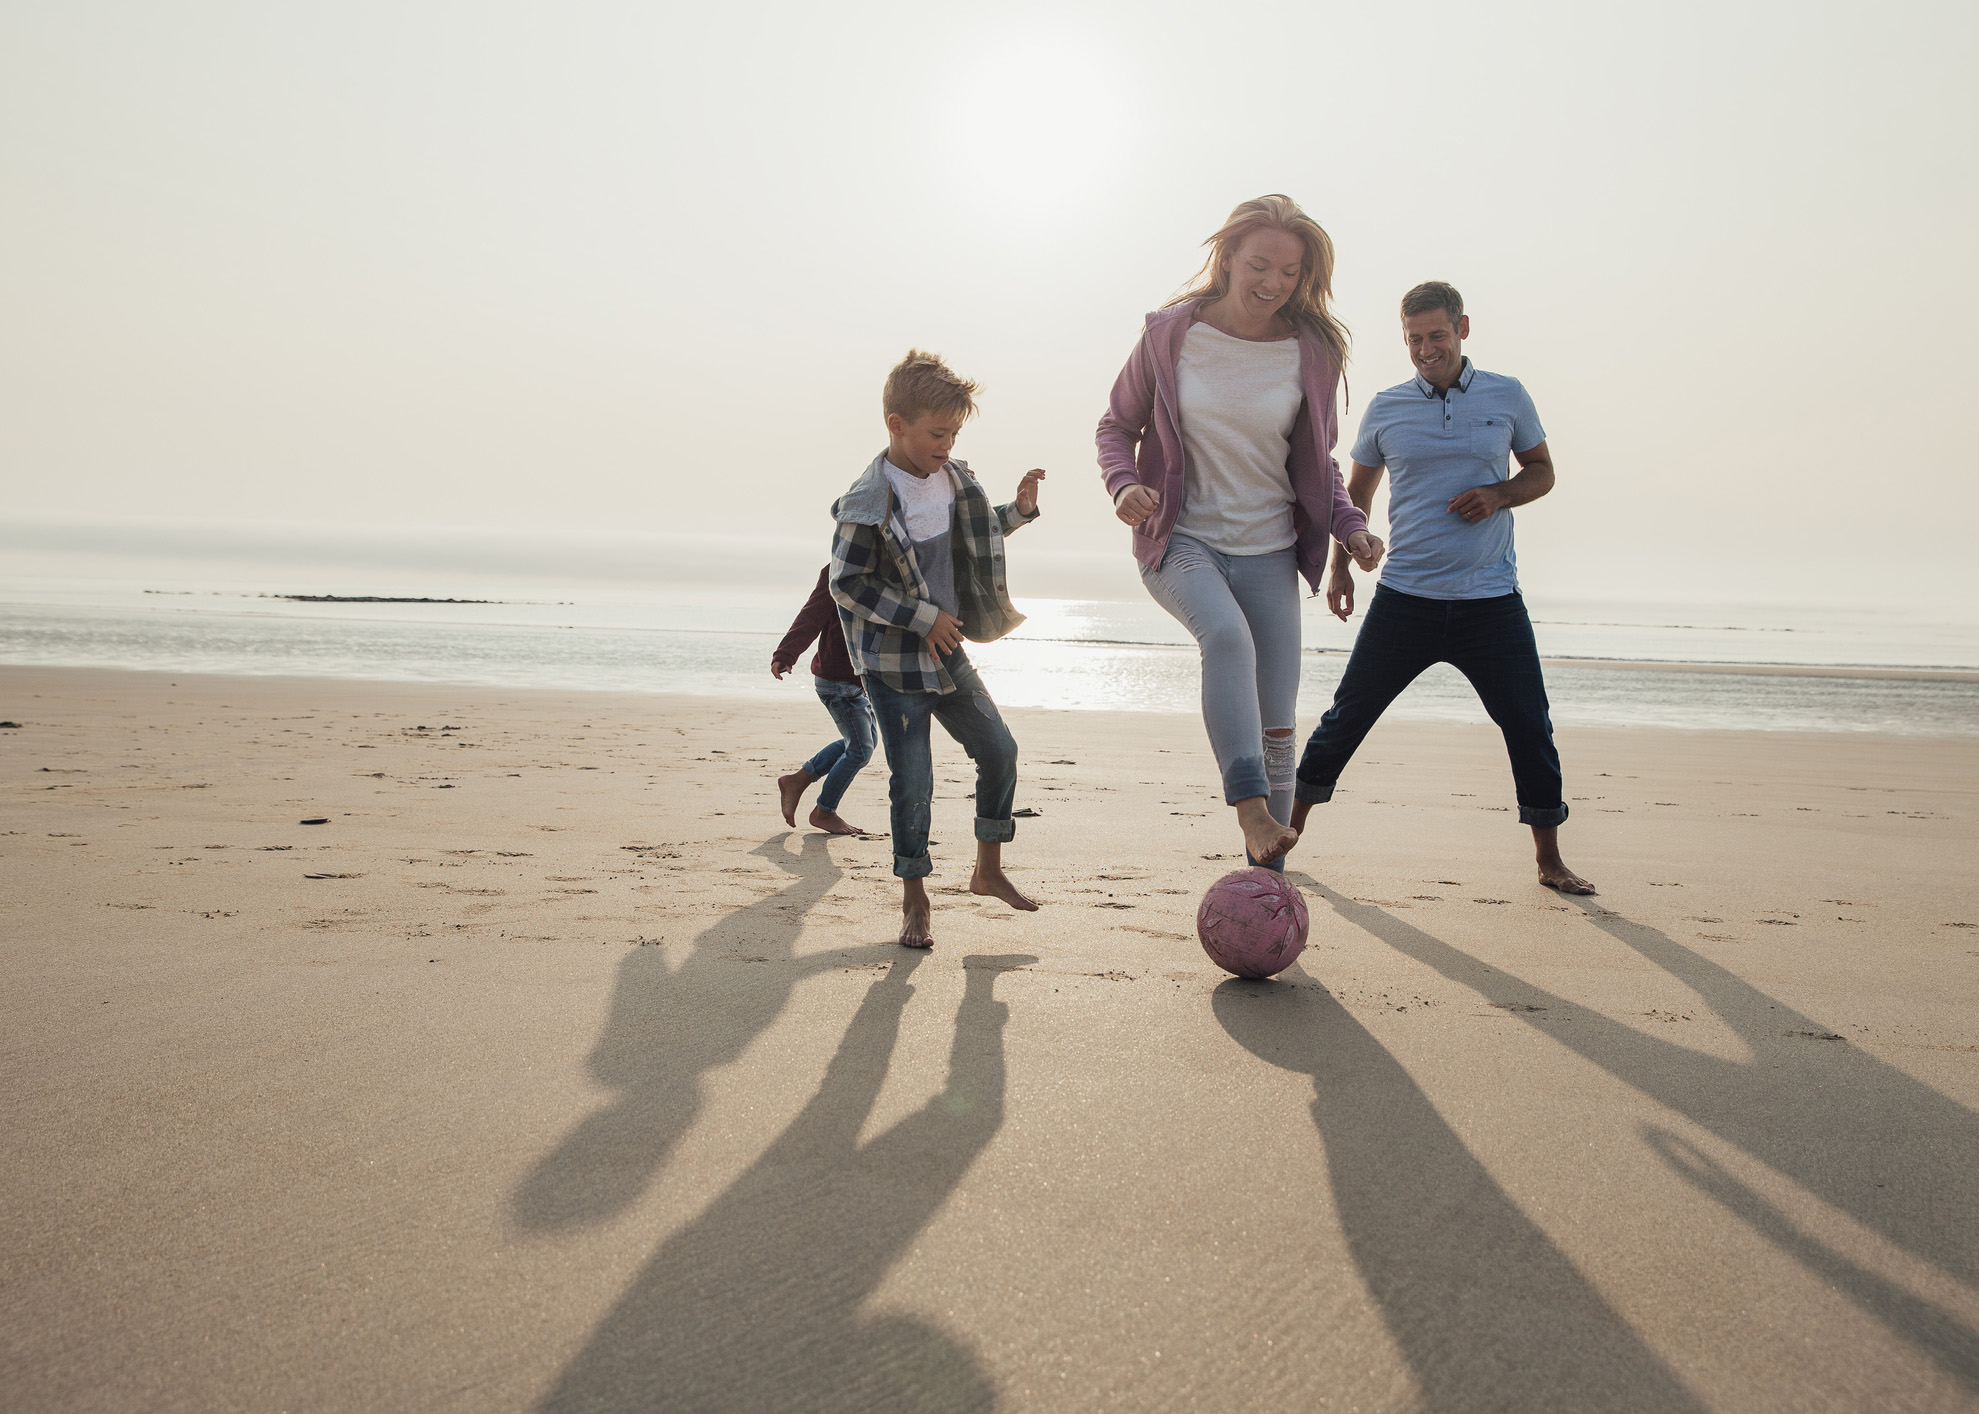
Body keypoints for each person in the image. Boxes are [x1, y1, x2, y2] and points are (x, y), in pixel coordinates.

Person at [1097, 194, 1384, 870]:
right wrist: (1123, 486)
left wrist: (1351, 529)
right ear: (1226, 258)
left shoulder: (1311, 351)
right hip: (1179, 539)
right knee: (1224, 638)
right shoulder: (1170, 335)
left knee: (1279, 726)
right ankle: (1251, 812)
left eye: (1289, 273)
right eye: (1259, 264)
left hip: (1268, 552)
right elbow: (1116, 426)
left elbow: (1319, 464)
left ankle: (1270, 875)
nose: (1272, 284)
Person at [1291, 281, 1596, 894]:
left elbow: (1543, 473)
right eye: (1413, 339)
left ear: (1462, 327)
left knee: (1529, 726)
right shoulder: (1386, 408)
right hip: (1407, 599)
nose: (1426, 349)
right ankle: (1284, 834)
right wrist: (1341, 566)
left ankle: (1549, 861)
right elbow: (1355, 498)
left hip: (1491, 602)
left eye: (1435, 335)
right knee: (1346, 719)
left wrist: (1499, 494)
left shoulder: (1506, 396)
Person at [829, 350, 1047, 948]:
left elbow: (973, 536)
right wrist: (923, 617)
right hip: (894, 665)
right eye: (936, 433)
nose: (947, 444)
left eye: (953, 432)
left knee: (1000, 749)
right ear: (896, 425)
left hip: (948, 651)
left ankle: (988, 869)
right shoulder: (868, 499)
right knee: (913, 780)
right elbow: (845, 583)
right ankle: (915, 900)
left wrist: (1020, 512)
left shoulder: (953, 479)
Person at [772, 566, 877, 836]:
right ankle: (824, 811)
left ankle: (797, 780)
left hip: (864, 680)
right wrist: (786, 653)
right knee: (860, 750)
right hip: (838, 681)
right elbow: (812, 614)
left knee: (863, 742)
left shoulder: (893, 567)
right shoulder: (841, 570)